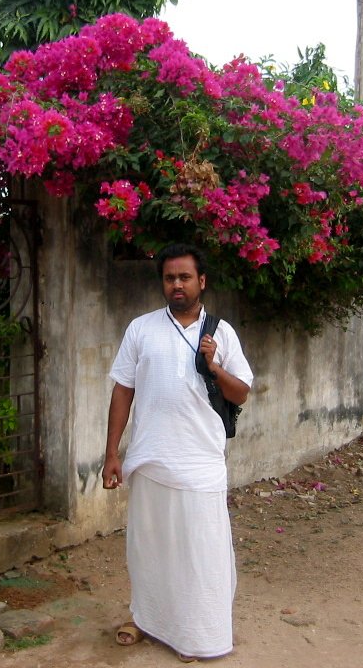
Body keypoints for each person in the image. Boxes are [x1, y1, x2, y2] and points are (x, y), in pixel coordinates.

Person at [103, 242, 253, 662]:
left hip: (200, 463)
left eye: (185, 277)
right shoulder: (141, 329)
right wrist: (112, 452)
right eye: (170, 278)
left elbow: (241, 393)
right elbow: (123, 389)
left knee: (201, 553)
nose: (177, 285)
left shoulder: (221, 333)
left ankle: (200, 636)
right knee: (150, 548)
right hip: (150, 460)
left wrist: (215, 366)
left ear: (201, 281)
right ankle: (147, 618)